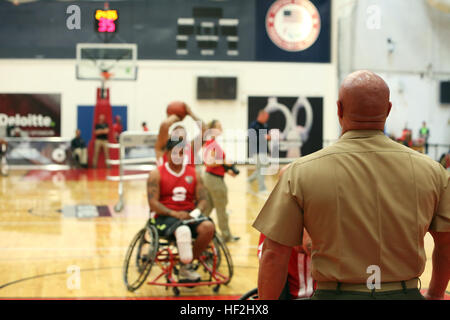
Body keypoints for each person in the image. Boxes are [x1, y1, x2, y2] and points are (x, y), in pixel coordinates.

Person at [253, 70, 450, 300]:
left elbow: (274, 255)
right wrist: (435, 294)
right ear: (388, 110)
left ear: (339, 109)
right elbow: (446, 245)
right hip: (405, 294)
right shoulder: (433, 171)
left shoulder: (299, 172)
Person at [146, 137, 215, 281]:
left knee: (208, 227)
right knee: (183, 230)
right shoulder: (156, 174)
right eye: (175, 153)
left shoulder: (194, 173)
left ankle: (186, 266)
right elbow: (152, 203)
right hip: (165, 215)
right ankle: (186, 265)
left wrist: (195, 213)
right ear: (167, 153)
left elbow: (203, 199)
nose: (179, 156)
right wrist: (174, 213)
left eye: (182, 153)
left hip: (188, 215)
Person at [202, 120, 240, 243]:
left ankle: (198, 230)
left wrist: (227, 171)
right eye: (219, 126)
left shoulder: (212, 143)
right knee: (221, 208)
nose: (221, 128)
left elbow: (214, 163)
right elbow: (208, 162)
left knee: (208, 207)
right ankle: (225, 236)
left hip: (212, 177)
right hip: (213, 179)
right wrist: (224, 162)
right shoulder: (211, 144)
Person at [248, 110, 271, 195]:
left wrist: (269, 137)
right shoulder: (253, 125)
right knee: (261, 169)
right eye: (266, 117)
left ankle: (250, 179)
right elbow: (252, 138)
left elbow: (267, 137)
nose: (266, 119)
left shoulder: (265, 125)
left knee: (263, 167)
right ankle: (262, 189)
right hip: (257, 151)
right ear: (261, 116)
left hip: (264, 150)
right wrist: (263, 137)